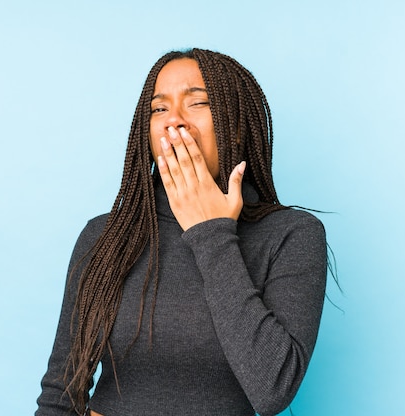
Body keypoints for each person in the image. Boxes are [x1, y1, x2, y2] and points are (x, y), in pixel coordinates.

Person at [35, 48, 328, 416]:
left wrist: (211, 233)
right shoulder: (103, 236)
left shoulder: (291, 236)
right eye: (159, 108)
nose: (173, 120)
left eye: (197, 103)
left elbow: (272, 389)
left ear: (235, 122)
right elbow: (59, 394)